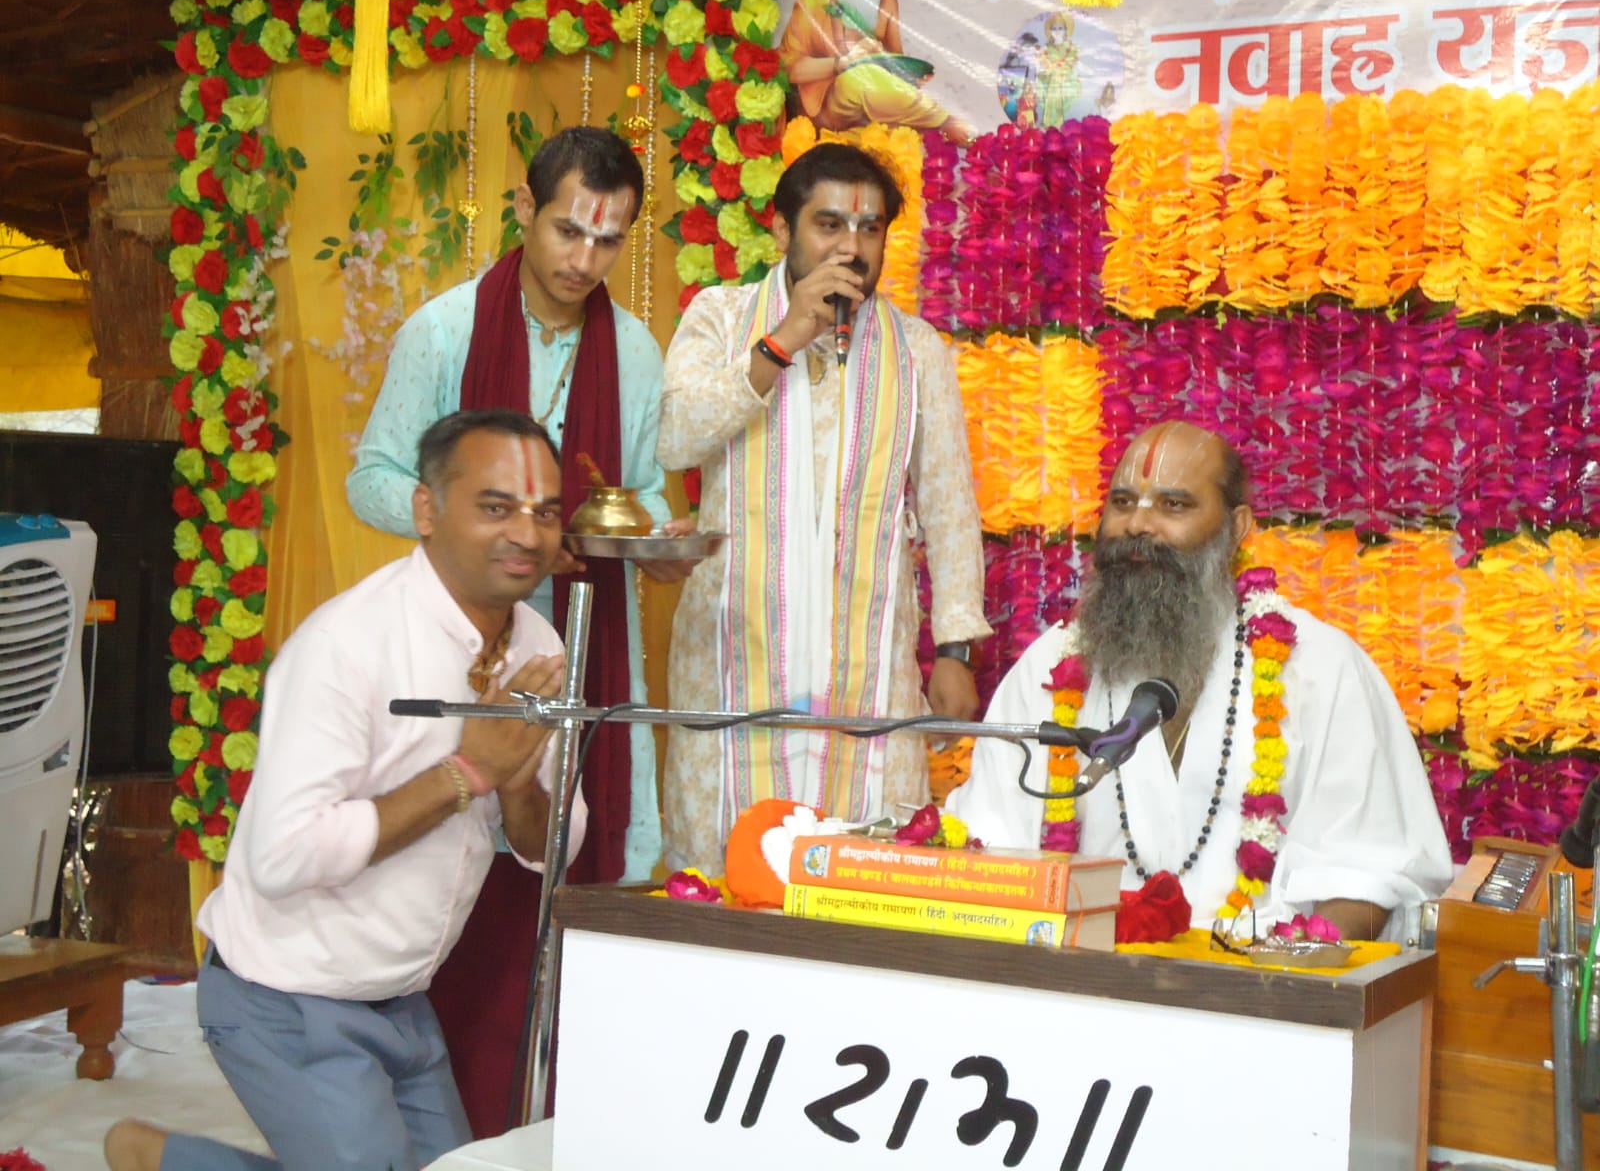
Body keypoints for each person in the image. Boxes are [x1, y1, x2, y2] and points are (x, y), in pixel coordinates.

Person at [104, 410, 586, 1171]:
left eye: (546, 512)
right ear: (426, 509)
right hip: (284, 992)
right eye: (496, 507)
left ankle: (161, 1158)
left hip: (402, 998)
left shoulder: (538, 644)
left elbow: (553, 847)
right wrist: (467, 774)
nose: (526, 534)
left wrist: (520, 784)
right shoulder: (346, 644)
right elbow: (284, 857)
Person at [945, 421, 1452, 941]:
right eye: (1122, 502)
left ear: (1236, 527)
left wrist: (1275, 976)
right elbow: (990, 849)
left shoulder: (1320, 669)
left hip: (1261, 976)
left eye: (1174, 505)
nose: (1138, 524)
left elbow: (1365, 878)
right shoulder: (1051, 669)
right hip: (1081, 974)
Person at [348, 125, 682, 885]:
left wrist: (660, 537)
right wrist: (489, 532)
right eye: (568, 231)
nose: (583, 261)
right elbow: (371, 480)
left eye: (608, 241)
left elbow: (640, 491)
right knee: (442, 856)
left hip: (584, 642)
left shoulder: (633, 350)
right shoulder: (443, 332)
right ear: (526, 208)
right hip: (452, 647)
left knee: (570, 858)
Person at [657, 143, 992, 876]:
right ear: (783, 229)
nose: (851, 247)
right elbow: (676, 437)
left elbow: (948, 505)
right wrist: (784, 341)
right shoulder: (721, 318)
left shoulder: (917, 351)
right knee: (721, 881)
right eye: (829, 224)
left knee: (864, 885)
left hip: (868, 677)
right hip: (735, 670)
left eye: (869, 229)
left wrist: (955, 649)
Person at [777, 0, 973, 144]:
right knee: (858, 77)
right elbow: (789, 67)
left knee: (902, 135)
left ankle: (939, 125)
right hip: (826, 108)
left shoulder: (887, 1)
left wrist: (911, 77)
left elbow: (896, 63)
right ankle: (945, 122)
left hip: (873, 106)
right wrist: (842, 63)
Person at [1036, 11, 1081, 129]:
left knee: (1062, 103)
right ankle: (1049, 126)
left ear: (1066, 30)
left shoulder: (1071, 48)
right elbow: (1041, 67)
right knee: (1051, 100)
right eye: (1054, 28)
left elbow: (1074, 65)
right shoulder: (1046, 49)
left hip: (1066, 81)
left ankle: (1060, 126)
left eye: (1060, 28)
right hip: (1051, 83)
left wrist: (1072, 77)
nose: (1057, 31)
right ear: (1050, 31)